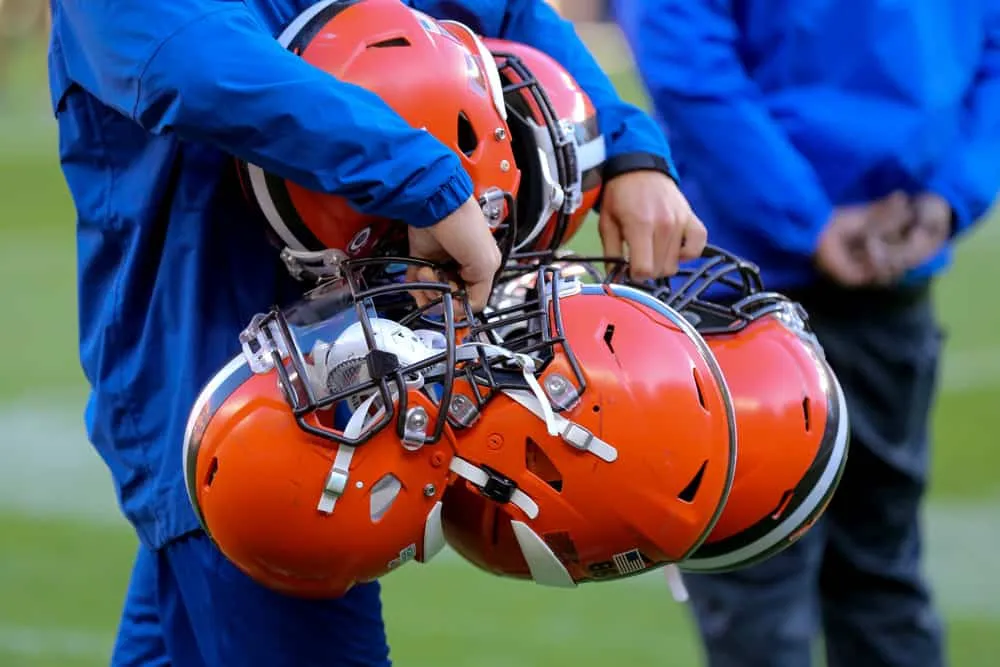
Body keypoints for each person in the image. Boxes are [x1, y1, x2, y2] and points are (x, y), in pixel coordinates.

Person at [49, 0, 707, 664]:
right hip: (240, 396)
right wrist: (421, 179)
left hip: (369, 376)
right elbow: (196, 63)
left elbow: (506, 13)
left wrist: (624, 148)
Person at [615, 1, 1000, 666]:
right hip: (877, 252)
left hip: (734, 279)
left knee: (756, 588)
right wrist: (946, 196)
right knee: (880, 578)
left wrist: (810, 219)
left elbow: (686, 53)